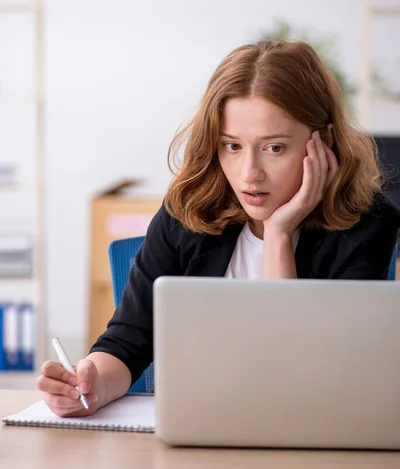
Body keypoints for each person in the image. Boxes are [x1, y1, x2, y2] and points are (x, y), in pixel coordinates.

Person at [37, 39, 400, 417]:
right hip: (197, 432)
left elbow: (304, 377)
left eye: (274, 148)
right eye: (232, 146)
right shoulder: (188, 210)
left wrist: (277, 235)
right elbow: (128, 342)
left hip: (307, 436)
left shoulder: (368, 225)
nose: (249, 174)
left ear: (322, 142)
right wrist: (91, 382)